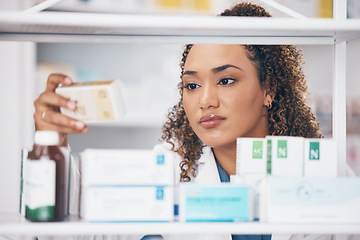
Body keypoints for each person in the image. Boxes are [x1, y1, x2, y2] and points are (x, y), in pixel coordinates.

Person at [33, 2, 344, 240]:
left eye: (226, 80)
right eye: (192, 85)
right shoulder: (166, 170)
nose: (205, 100)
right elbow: (84, 233)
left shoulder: (327, 171)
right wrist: (54, 148)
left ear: (269, 88)